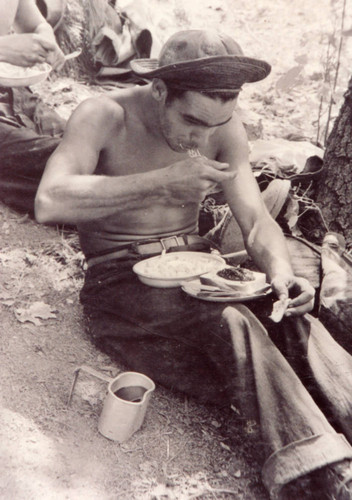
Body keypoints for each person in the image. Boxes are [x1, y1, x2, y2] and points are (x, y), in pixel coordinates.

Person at [34, 30, 352, 498]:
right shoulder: (105, 115)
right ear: (160, 90)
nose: (201, 138)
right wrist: (159, 183)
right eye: (191, 121)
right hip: (120, 278)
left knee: (286, 315)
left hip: (198, 267)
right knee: (232, 324)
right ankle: (321, 474)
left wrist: (282, 273)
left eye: (215, 125)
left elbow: (257, 221)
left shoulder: (221, 126)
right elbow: (49, 200)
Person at [0, 0, 66, 214]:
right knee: (60, 166)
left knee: (85, 141)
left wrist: (45, 36)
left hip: (11, 92)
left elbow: (36, 24)